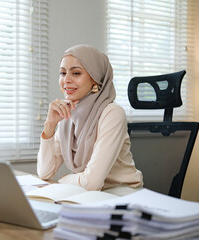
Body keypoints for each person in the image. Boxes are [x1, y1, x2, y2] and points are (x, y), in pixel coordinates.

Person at [37, 45, 143, 196]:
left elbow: (92, 182)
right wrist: (50, 125)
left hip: (121, 196)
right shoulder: (68, 114)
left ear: (95, 78)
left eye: (76, 73)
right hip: (85, 194)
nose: (66, 80)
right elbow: (45, 172)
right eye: (62, 73)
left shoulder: (112, 113)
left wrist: (64, 180)